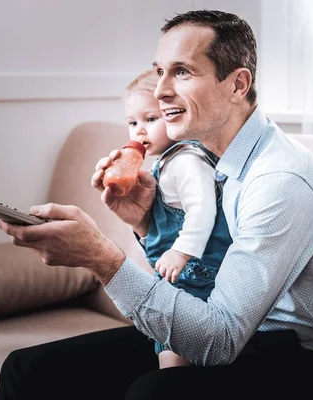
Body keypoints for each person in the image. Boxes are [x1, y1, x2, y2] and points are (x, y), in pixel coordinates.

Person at [0, 9, 313, 400]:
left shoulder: (279, 182)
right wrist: (148, 226)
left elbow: (220, 339)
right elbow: (195, 283)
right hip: (231, 327)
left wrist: (101, 258)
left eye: (182, 72)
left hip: (301, 359)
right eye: (160, 72)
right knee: (28, 368)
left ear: (237, 84)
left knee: (152, 393)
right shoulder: (196, 161)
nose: (160, 91)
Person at [117, 69, 232, 368]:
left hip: (198, 276)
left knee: (174, 361)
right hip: (179, 277)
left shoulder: (187, 161)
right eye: (133, 122)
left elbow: (203, 210)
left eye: (151, 119)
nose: (139, 131)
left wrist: (181, 251)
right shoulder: (164, 164)